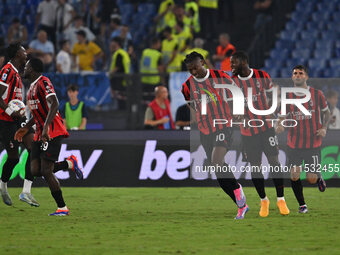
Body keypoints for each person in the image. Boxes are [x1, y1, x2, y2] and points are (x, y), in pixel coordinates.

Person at [0, 44, 82, 207]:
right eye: (24, 51)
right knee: (14, 159)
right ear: (17, 54)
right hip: (6, 120)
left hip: (19, 118)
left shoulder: (20, 75)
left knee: (34, 149)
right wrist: (10, 111)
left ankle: (26, 191)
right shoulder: (8, 71)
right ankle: (3, 186)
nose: (26, 54)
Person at [181, 51, 248, 219]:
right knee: (217, 170)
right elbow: (192, 104)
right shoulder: (186, 86)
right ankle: (241, 205)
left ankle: (238, 189)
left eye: (196, 68)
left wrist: (239, 110)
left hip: (223, 125)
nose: (194, 72)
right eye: (190, 70)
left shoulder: (221, 77)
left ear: (203, 62)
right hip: (205, 129)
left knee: (217, 160)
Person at [230, 51, 289, 217]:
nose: (231, 66)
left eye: (233, 63)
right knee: (255, 167)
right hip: (248, 131)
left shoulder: (262, 76)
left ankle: (281, 199)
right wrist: (237, 112)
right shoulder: (232, 82)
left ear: (243, 62)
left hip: (266, 127)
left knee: (274, 162)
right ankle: (264, 200)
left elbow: (273, 99)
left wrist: (280, 117)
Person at [14, 58, 74, 216]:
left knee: (46, 170)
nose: (24, 68)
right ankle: (69, 163)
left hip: (52, 131)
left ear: (32, 69)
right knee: (35, 170)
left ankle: (62, 208)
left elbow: (54, 103)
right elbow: (37, 113)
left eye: (26, 66)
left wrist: (46, 127)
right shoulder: (31, 87)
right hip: (39, 132)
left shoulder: (44, 82)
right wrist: (26, 128)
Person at [276, 65, 330, 213]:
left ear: (306, 77)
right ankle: (302, 205)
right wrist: (279, 125)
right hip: (294, 143)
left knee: (311, 179)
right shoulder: (287, 97)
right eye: (295, 73)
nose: (298, 75)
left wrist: (324, 127)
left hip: (313, 143)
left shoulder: (317, 94)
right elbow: (281, 117)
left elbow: (327, 114)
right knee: (294, 175)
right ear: (292, 77)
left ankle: (318, 177)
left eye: (301, 73)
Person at [140, 37, 164, 104]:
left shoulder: (145, 52)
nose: (160, 45)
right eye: (159, 43)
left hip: (143, 80)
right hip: (153, 81)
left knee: (144, 101)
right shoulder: (158, 54)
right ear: (156, 44)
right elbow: (160, 69)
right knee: (152, 101)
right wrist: (162, 80)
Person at [109, 37, 131, 109]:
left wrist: (108, 74)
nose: (110, 44)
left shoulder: (119, 54)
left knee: (120, 100)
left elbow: (117, 67)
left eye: (112, 42)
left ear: (116, 44)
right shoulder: (123, 53)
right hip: (125, 80)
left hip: (120, 81)